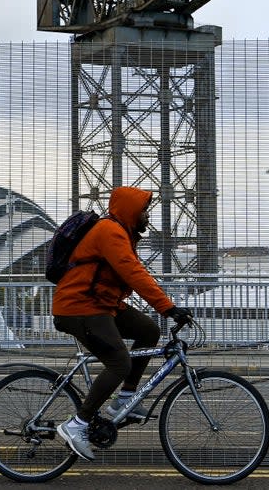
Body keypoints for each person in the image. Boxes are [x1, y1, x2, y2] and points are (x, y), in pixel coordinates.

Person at [52, 185, 193, 461]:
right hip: (79, 307)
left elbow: (129, 274)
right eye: (144, 211)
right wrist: (168, 307)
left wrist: (165, 310)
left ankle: (125, 398)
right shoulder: (110, 232)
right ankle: (77, 424)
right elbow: (134, 274)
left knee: (148, 330)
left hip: (102, 305)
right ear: (131, 211)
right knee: (119, 362)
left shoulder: (122, 234)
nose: (147, 216)